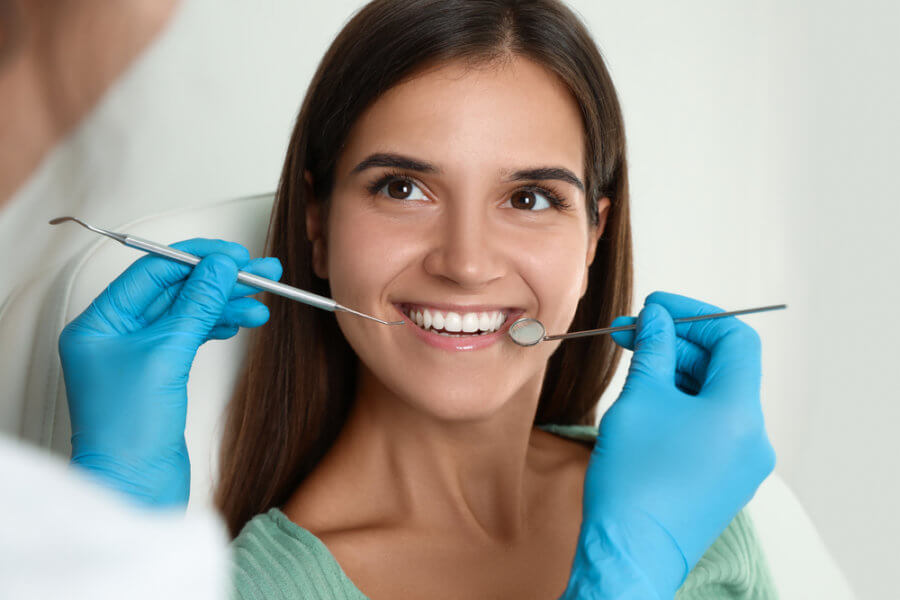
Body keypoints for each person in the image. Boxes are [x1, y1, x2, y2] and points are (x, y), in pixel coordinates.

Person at [59, 0, 778, 598]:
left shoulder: (692, 504)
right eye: (402, 188)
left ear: (593, 235)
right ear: (317, 223)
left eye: (529, 197)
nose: (465, 264)